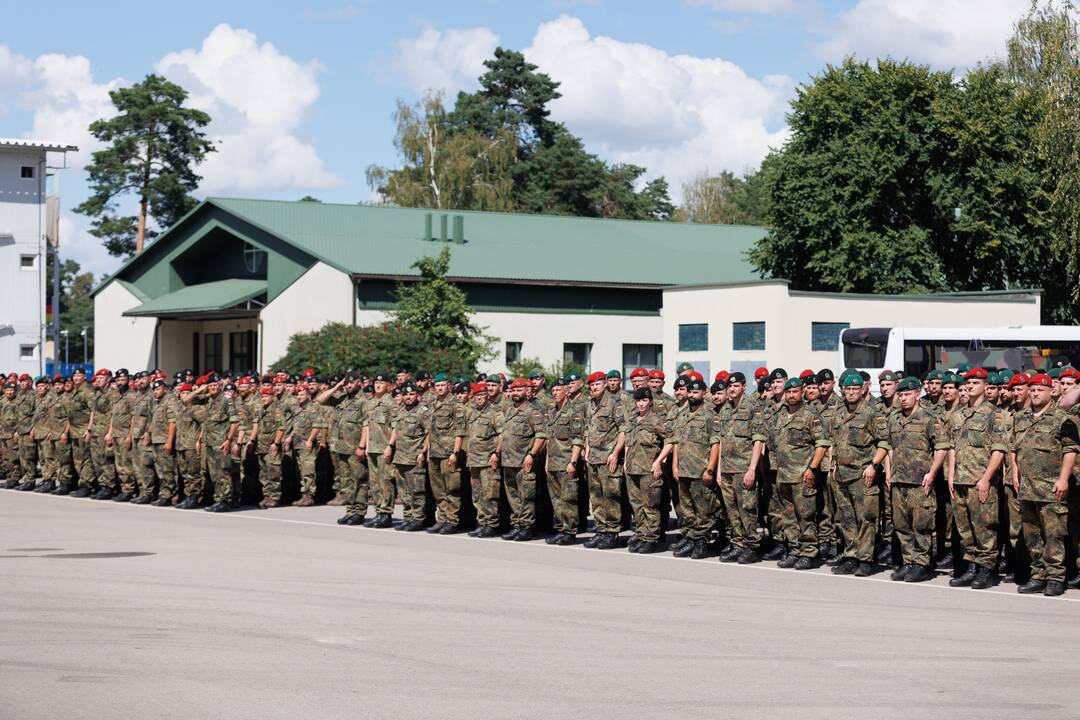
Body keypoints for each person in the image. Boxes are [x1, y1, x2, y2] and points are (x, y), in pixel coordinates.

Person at [1011, 373, 1078, 596]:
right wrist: (1015, 474)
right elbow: (1015, 449)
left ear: (1051, 391)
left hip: (1051, 489)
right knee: (1032, 535)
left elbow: (1070, 451)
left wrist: (1063, 479)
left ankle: (1056, 577)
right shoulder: (1020, 418)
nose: (1036, 393)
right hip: (1027, 488)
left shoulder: (1062, 418)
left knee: (1054, 534)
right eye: (1033, 390)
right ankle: (1038, 575)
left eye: (1040, 389)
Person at [947, 367, 1010, 590]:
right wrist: (951, 475)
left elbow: (999, 450)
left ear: (985, 385)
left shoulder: (995, 414)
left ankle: (986, 570)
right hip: (961, 480)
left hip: (980, 481)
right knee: (965, 530)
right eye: (968, 383)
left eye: (975, 383)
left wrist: (986, 478)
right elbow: (953, 447)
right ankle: (971, 567)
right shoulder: (958, 415)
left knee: (984, 527)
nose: (970, 386)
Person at [886, 376, 950, 583]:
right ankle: (909, 562)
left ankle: (922, 563)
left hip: (919, 481)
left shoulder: (929, 418)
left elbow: (941, 447)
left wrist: (932, 473)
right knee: (901, 524)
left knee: (921, 524)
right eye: (901, 395)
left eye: (907, 394)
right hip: (898, 480)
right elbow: (888, 447)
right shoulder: (894, 419)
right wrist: (888, 472)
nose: (903, 398)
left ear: (917, 395)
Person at [826, 372, 890, 576]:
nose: (851, 392)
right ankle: (851, 556)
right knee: (847, 518)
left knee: (866, 518)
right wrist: (832, 464)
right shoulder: (838, 412)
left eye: (855, 389)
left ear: (863, 389)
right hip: (841, 475)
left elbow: (884, 442)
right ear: (843, 389)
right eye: (848, 389)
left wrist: (873, 465)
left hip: (863, 475)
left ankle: (865, 559)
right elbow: (833, 441)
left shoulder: (872, 413)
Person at [763, 377, 828, 570]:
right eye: (789, 392)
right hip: (783, 476)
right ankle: (794, 549)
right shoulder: (780, 415)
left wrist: (812, 469)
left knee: (805, 515)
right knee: (788, 516)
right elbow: (773, 444)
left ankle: (809, 552)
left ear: (802, 393)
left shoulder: (811, 415)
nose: (791, 395)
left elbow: (821, 444)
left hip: (803, 476)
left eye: (795, 392)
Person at [717, 372, 766, 564]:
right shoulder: (725, 410)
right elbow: (721, 441)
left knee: (747, 509)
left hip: (744, 468)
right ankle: (737, 545)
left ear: (744, 387)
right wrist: (719, 470)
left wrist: (752, 469)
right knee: (732, 511)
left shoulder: (753, 408)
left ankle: (751, 546)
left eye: (736, 386)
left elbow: (758, 441)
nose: (731, 389)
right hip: (727, 470)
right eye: (729, 386)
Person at [671, 378, 721, 560]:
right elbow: (676, 442)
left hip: (700, 471)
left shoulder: (710, 415)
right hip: (684, 470)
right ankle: (691, 538)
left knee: (703, 511)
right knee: (687, 509)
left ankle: (702, 542)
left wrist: (710, 469)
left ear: (704, 393)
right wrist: (675, 464)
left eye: (695, 392)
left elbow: (715, 444)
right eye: (690, 392)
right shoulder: (682, 414)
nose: (692, 395)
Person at [496, 378, 547, 541]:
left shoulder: (532, 411)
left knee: (526, 496)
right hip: (508, 461)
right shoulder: (510, 410)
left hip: (523, 461)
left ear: (526, 391)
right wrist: (497, 453)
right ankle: (517, 524)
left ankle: (526, 527)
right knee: (513, 495)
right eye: (513, 390)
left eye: (519, 390)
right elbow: (504, 435)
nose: (515, 393)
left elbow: (541, 435)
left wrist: (531, 454)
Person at [623, 387, 673, 554]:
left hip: (649, 469)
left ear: (650, 401)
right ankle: (642, 534)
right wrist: (625, 461)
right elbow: (628, 443)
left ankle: (651, 538)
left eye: (644, 400)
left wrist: (659, 461)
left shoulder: (657, 420)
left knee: (650, 505)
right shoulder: (632, 420)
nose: (641, 404)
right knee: (636, 505)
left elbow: (670, 441)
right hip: (632, 469)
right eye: (638, 401)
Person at [583, 371, 626, 550]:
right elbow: (587, 429)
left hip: (609, 458)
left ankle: (612, 533)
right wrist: (586, 449)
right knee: (596, 497)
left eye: (597, 384)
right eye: (592, 385)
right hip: (593, 458)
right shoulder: (590, 404)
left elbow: (623, 431)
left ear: (605, 385)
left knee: (611, 496)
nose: (594, 387)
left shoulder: (615, 403)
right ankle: (601, 530)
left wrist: (616, 453)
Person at [384, 383, 431, 531]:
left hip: (414, 457)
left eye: (411, 394)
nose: (408, 397)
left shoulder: (423, 412)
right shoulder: (401, 411)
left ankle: (418, 518)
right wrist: (390, 446)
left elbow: (429, 433)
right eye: (405, 394)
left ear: (417, 395)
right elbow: (396, 430)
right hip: (400, 456)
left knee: (416, 490)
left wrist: (423, 452)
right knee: (403, 491)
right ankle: (408, 517)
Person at [544, 378, 585, 545]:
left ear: (567, 392)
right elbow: (549, 439)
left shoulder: (574, 412)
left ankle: (570, 531)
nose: (555, 393)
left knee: (568, 499)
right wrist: (547, 460)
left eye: (558, 390)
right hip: (553, 462)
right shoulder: (552, 412)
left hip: (566, 462)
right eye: (553, 391)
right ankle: (560, 529)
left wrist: (573, 462)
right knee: (556, 500)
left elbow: (577, 440)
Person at [427, 373, 467, 533]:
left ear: (449, 385)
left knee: (452, 488)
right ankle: (442, 518)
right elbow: (428, 430)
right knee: (438, 489)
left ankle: (452, 520)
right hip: (434, 453)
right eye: (437, 386)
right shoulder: (432, 404)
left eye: (442, 385)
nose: (440, 388)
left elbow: (460, 431)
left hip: (448, 453)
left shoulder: (456, 405)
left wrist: (455, 453)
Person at [465, 383, 504, 538]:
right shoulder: (473, 413)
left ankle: (491, 524)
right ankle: (482, 522)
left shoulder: (495, 413)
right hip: (474, 460)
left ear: (487, 395)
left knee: (490, 494)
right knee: (477, 494)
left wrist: (496, 453)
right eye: (476, 396)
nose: (479, 398)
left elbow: (502, 434)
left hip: (488, 460)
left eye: (481, 395)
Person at [364, 373, 396, 528]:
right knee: (375, 482)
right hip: (372, 449)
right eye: (376, 382)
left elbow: (395, 427)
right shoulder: (370, 403)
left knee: (386, 481)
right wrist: (366, 446)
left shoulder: (391, 403)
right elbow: (367, 426)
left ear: (388, 386)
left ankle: (386, 513)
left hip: (384, 448)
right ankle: (378, 511)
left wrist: (390, 446)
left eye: (381, 383)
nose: (377, 385)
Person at [145, 379, 178, 507]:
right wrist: (148, 433)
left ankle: (169, 495)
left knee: (168, 470)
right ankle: (164, 494)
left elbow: (172, 422)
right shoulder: (158, 402)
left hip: (164, 440)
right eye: (154, 389)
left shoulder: (170, 400)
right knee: (161, 470)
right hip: (157, 439)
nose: (155, 391)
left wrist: (169, 441)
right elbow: (154, 421)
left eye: (158, 389)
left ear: (165, 388)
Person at [67, 367, 96, 498]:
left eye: (79, 375)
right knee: (78, 459)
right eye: (75, 376)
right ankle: (82, 483)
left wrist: (89, 429)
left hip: (83, 430)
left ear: (84, 376)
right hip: (74, 430)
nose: (76, 378)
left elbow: (93, 411)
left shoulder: (88, 390)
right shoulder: (75, 391)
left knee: (85, 459)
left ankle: (87, 485)